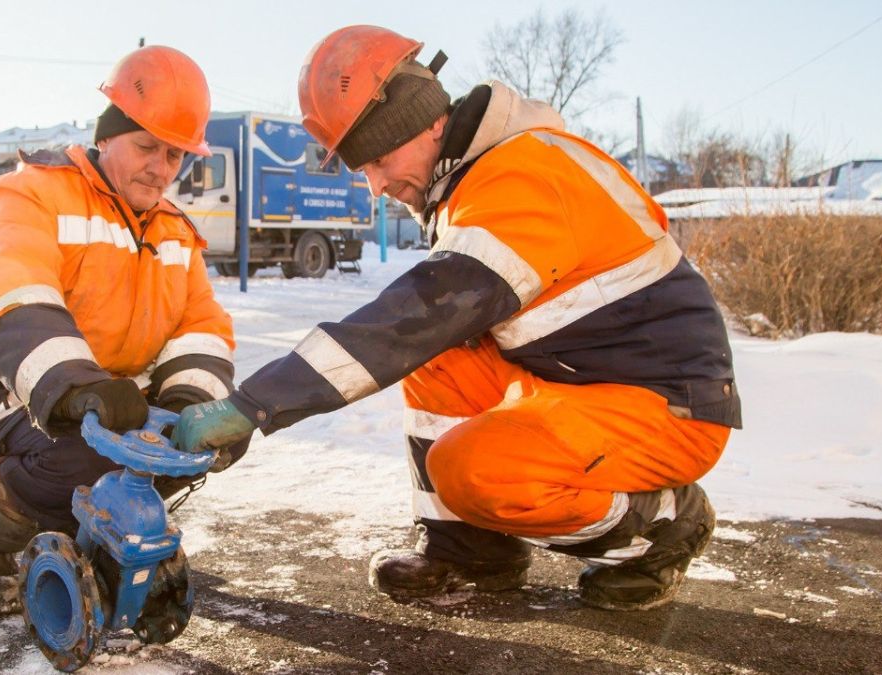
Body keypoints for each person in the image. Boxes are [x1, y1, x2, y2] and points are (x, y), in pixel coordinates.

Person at [174, 25, 742, 612]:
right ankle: (469, 550)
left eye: (379, 159)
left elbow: (411, 319)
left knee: (472, 469)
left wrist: (254, 405)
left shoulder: (520, 179)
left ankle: (665, 523)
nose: (376, 186)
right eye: (361, 168)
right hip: (581, 383)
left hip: (668, 407)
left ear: (431, 123)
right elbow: (430, 332)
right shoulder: (477, 179)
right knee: (441, 355)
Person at [0, 45, 244, 616]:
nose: (162, 167)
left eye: (175, 155)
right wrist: (73, 386)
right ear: (106, 136)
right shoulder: (28, 194)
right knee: (83, 452)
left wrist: (190, 403)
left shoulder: (175, 231)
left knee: (174, 446)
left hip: (100, 397)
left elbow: (201, 328)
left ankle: (94, 543)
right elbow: (8, 288)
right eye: (147, 146)